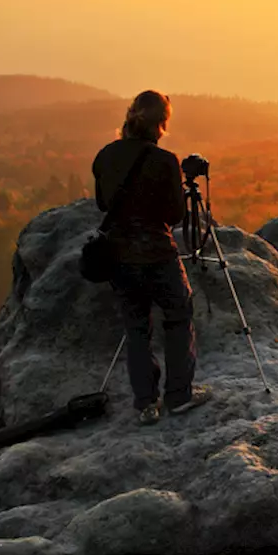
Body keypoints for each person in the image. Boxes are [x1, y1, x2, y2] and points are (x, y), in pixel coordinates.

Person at [92, 90, 210, 425]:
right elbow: (173, 215)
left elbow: (103, 204)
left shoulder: (105, 156)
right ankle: (179, 395)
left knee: (136, 327)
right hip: (158, 253)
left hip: (120, 257)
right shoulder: (164, 161)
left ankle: (146, 403)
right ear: (162, 124)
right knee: (178, 314)